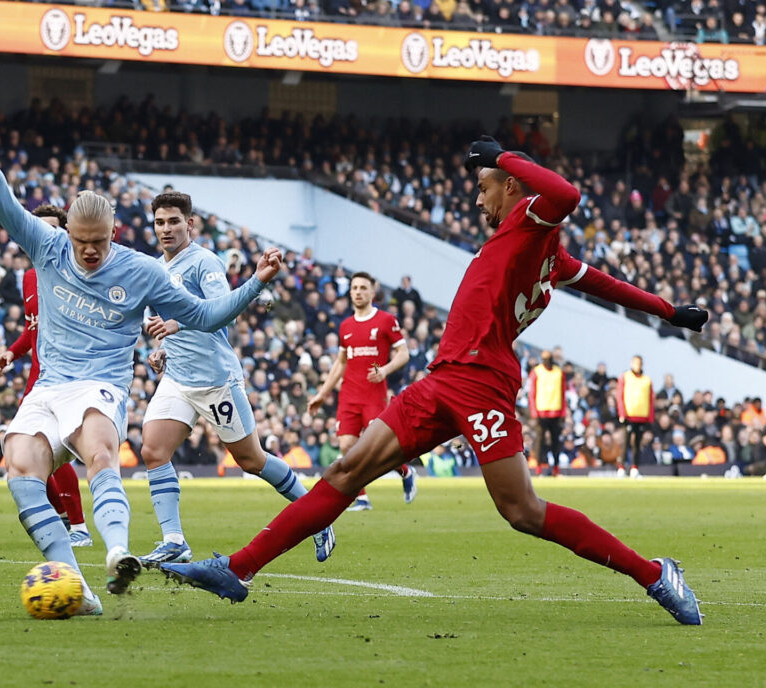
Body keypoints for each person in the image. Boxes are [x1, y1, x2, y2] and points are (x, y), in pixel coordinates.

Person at [160, 136, 708, 626]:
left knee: (522, 511)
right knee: (347, 469)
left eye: (483, 187)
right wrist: (666, 311)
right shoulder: (547, 252)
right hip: (443, 379)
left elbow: (565, 195)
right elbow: (606, 284)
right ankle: (239, 569)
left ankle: (656, 574)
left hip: (484, 385)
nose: (477, 200)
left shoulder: (534, 221)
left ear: (511, 185)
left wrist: (501, 156)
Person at [0, 91, 283, 616]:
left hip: (100, 385)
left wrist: (256, 282)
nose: (90, 251)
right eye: (81, 242)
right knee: (20, 470)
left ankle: (118, 550)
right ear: (68, 234)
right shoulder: (46, 246)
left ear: (114, 233)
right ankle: (80, 590)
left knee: (101, 450)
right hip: (49, 385)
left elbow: (208, 317)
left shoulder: (142, 270)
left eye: (98, 241)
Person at [137, 191, 334, 566]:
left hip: (215, 380)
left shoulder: (204, 263)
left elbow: (222, 312)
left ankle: (317, 516)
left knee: (252, 460)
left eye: (174, 221)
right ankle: (174, 539)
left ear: (189, 223)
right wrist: (162, 347)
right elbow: (156, 322)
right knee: (153, 450)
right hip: (177, 378)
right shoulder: (153, 268)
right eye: (160, 222)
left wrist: (180, 323)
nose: (166, 229)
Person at [0, 204, 93, 549]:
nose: (48, 234)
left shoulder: (74, 272)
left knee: (53, 443)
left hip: (66, 373)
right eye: (41, 228)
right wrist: (13, 351)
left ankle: (78, 525)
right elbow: (31, 328)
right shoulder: (29, 276)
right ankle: (60, 517)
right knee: (23, 447)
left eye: (55, 228)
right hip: (38, 373)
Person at [306, 271, 415, 511]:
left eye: (363, 288)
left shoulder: (386, 320)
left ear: (372, 292)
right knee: (346, 446)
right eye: (354, 288)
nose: (358, 292)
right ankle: (362, 498)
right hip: (349, 395)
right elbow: (341, 363)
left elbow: (404, 353)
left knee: (377, 449)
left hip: (374, 395)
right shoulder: (345, 326)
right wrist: (322, 394)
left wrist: (384, 371)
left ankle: (405, 471)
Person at [528, 350, 566, 476]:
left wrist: (563, 412)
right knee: (540, 441)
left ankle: (556, 467)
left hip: (556, 412)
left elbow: (563, 393)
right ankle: (539, 467)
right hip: (541, 412)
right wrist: (534, 412)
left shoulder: (559, 372)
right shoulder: (536, 372)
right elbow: (532, 393)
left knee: (556, 442)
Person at [617, 354, 654, 479]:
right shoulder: (625, 377)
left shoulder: (647, 380)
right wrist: (622, 413)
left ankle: (634, 467)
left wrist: (650, 417)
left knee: (637, 444)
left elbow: (650, 399)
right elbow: (620, 395)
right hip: (629, 415)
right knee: (626, 442)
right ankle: (621, 467)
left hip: (641, 416)